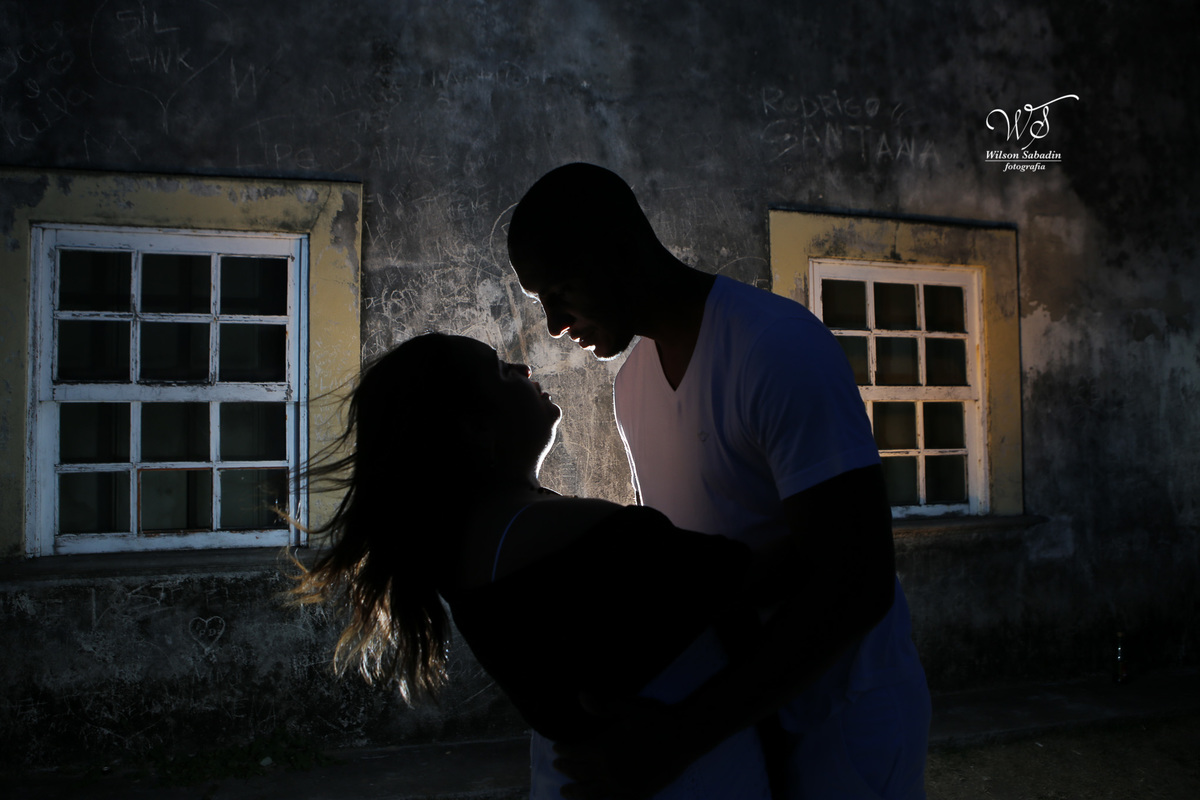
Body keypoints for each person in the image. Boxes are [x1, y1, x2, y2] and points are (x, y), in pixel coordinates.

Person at [507, 163, 931, 800]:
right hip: (741, 726)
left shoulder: (778, 348)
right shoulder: (633, 384)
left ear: (620, 250)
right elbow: (705, 578)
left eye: (561, 290)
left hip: (845, 716)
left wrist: (678, 737)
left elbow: (856, 578)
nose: (554, 325)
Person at [288, 332, 773, 799]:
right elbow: (767, 578)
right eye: (502, 372)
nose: (523, 368)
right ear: (477, 427)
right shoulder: (574, 535)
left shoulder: (471, 552)